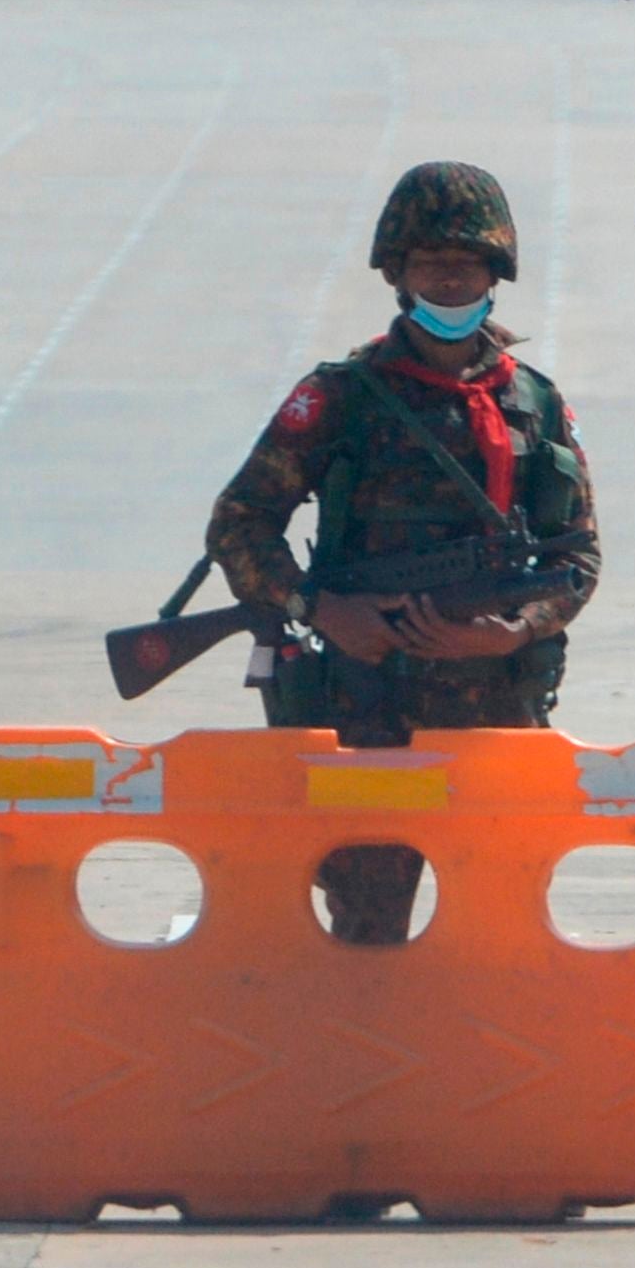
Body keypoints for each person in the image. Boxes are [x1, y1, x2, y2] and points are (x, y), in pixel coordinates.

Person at [206, 162, 600, 943]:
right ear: (397, 274)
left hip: (497, 712)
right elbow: (239, 522)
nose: (450, 279)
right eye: (430, 263)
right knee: (366, 928)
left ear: (496, 275)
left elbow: (577, 557)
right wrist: (317, 607)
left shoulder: (535, 403)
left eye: (468, 263)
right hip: (366, 708)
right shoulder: (342, 395)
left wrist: (515, 629)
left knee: (500, 931)